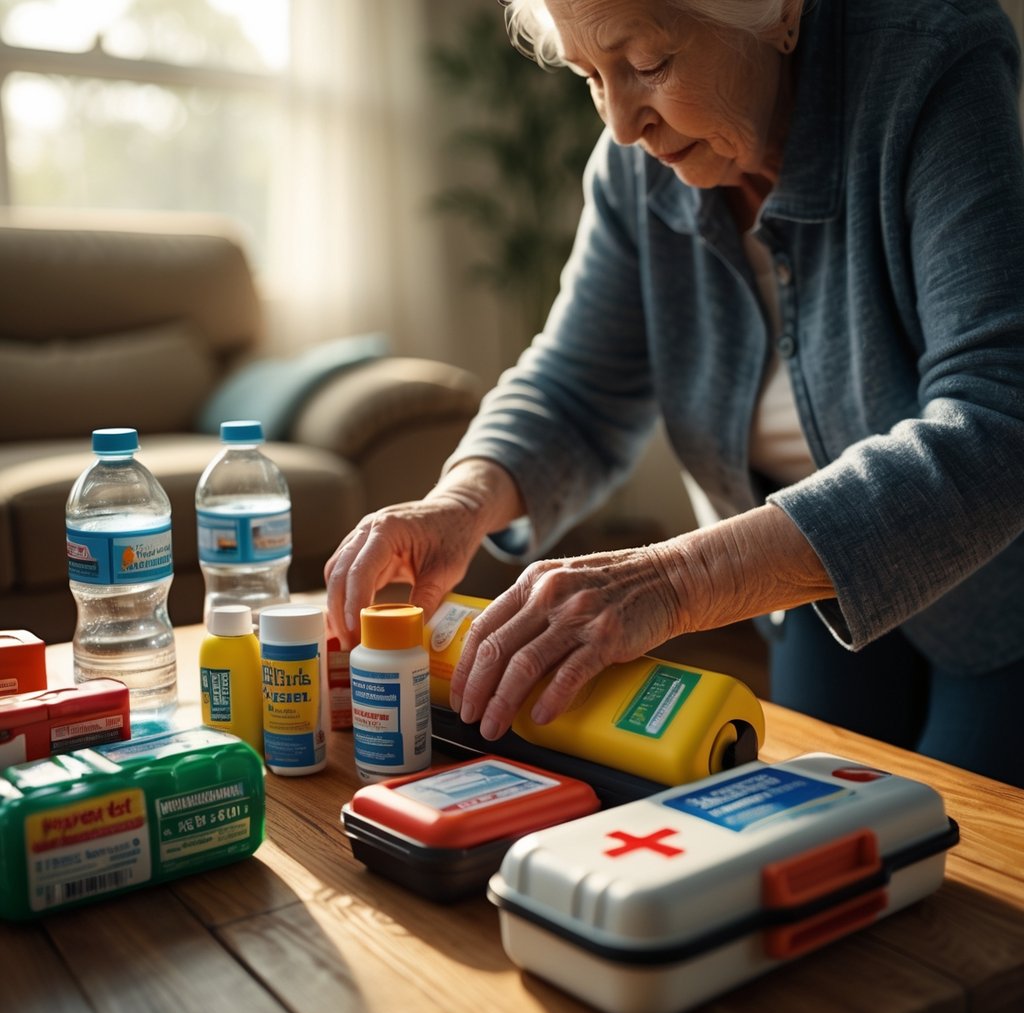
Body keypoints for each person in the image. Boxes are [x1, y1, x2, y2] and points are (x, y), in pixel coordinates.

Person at [326, 0, 1024, 788]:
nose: (623, 126)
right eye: (592, 77)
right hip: (802, 593)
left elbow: (999, 418)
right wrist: (461, 502)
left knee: (972, 858)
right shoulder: (632, 166)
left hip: (998, 589)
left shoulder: (930, 59)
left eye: (650, 65)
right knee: (814, 835)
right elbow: (573, 388)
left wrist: (674, 581)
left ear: (777, 14)